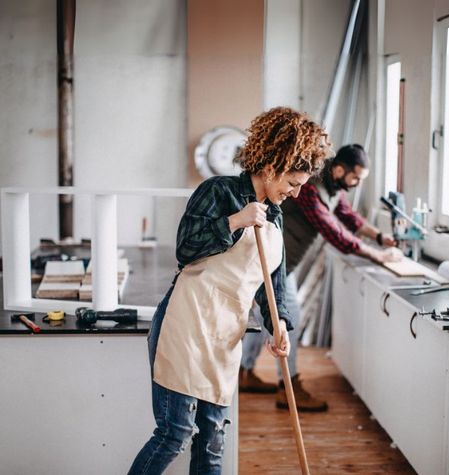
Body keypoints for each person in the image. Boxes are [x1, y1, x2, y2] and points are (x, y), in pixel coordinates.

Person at [127, 107, 330, 475]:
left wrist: (278, 323)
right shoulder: (217, 191)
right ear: (270, 168)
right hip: (186, 325)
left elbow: (274, 283)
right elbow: (186, 248)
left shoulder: (277, 216)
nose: (297, 192)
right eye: (293, 182)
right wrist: (236, 220)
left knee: (212, 439)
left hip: (224, 336)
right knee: (175, 433)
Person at [239, 144, 402, 412]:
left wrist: (381, 238)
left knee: (265, 318)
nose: (357, 183)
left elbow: (348, 217)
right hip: (273, 261)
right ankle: (288, 389)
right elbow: (333, 231)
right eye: (355, 178)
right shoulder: (311, 187)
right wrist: (379, 256)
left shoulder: (333, 188)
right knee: (289, 319)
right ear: (339, 169)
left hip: (281, 263)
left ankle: (245, 373)